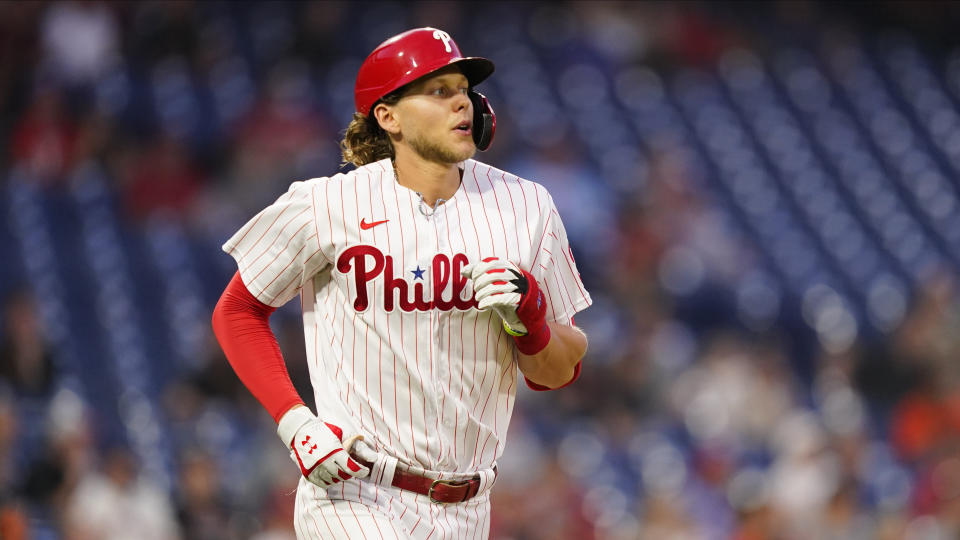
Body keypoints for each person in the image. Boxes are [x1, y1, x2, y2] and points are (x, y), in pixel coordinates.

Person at [212, 27, 591, 539]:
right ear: (387, 117)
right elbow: (237, 311)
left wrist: (532, 319)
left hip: (470, 507)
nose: (462, 102)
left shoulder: (525, 206)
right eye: (438, 91)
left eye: (463, 89)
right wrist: (295, 421)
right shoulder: (328, 204)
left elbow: (557, 370)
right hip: (354, 490)